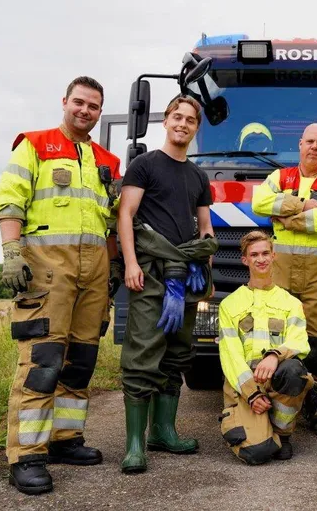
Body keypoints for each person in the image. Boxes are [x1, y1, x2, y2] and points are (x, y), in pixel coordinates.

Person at [0, 76, 121, 495]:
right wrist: (11, 252)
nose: (85, 111)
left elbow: (112, 219)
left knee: (80, 360)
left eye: (94, 106)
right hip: (47, 271)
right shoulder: (34, 145)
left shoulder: (106, 160)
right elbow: (10, 200)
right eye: (79, 102)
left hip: (94, 272)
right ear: (65, 102)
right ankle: (26, 455)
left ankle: (65, 439)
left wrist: (113, 265)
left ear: (100, 112)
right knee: (42, 362)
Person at [117, 95, 218, 474]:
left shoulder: (198, 176)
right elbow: (126, 214)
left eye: (190, 120)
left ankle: (164, 432)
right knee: (143, 353)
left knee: (177, 352)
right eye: (177, 117)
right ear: (166, 121)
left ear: (196, 128)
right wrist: (130, 263)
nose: (183, 124)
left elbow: (205, 228)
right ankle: (135, 445)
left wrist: (206, 272)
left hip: (186, 277)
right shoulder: (144, 165)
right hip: (151, 273)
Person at [251, 123, 317, 438]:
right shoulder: (280, 177)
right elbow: (258, 203)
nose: (314, 147)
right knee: (277, 340)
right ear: (300, 144)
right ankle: (277, 404)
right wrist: (304, 205)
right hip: (282, 273)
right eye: (310, 141)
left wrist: (286, 218)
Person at [218, 231, 315, 464]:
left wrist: (274, 355)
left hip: (276, 378)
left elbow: (299, 341)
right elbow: (230, 356)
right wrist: (251, 393)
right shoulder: (229, 305)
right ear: (245, 260)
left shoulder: (291, 303)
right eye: (254, 255)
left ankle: (283, 433)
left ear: (273, 256)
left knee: (294, 371)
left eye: (265, 253)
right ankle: (259, 427)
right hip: (245, 386)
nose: (260, 259)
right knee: (257, 453)